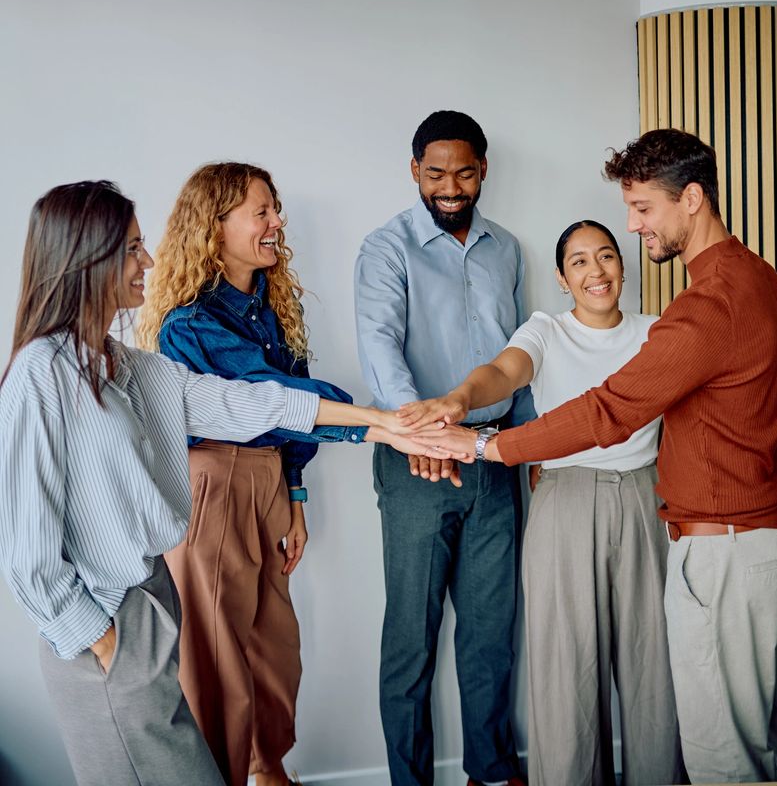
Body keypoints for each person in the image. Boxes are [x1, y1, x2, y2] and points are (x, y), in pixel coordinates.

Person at [407, 129, 777, 785]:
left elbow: (608, 411)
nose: (634, 225)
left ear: (693, 198)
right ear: (563, 279)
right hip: (767, 544)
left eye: (643, 209)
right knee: (775, 743)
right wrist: (467, 407)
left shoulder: (699, 311)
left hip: (725, 551)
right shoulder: (763, 282)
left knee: (722, 759)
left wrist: (487, 444)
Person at [0, 180, 413, 786]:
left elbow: (250, 402)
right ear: (87, 258)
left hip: (147, 603)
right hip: (105, 629)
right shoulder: (40, 375)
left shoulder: (123, 366)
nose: (149, 261)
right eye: (133, 247)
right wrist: (105, 643)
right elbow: (26, 550)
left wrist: (380, 423)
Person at [405, 218, 684, 785]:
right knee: (566, 670)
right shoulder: (545, 330)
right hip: (565, 500)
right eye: (579, 261)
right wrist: (461, 398)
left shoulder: (658, 332)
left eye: (605, 256)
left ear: (623, 266)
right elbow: (505, 372)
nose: (595, 271)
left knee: (654, 666)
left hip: (644, 502)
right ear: (561, 277)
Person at [137, 162, 364, 786]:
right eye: (260, 212)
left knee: (274, 653)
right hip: (213, 484)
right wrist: (379, 422)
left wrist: (294, 498)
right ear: (216, 226)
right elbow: (275, 396)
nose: (276, 223)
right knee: (215, 661)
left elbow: (288, 426)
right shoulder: (188, 324)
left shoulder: (270, 312)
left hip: (266, 483)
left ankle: (268, 771)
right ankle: (220, 776)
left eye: (275, 209)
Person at [355, 110, 527, 786]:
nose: (449, 186)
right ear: (414, 172)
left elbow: (519, 355)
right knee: (411, 642)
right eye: (435, 173)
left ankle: (489, 770)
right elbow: (379, 348)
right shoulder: (385, 247)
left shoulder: (506, 248)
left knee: (490, 635)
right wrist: (423, 434)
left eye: (463, 172)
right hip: (415, 463)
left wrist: (529, 445)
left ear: (482, 170)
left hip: (493, 456)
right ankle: (410, 780)